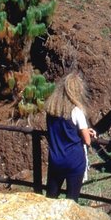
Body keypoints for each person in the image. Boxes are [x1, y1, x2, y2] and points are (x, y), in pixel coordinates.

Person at [43, 72, 95, 201]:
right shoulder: (76, 111)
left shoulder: (51, 109)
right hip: (74, 161)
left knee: (51, 197)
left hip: (55, 159)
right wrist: (88, 133)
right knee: (72, 200)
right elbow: (87, 141)